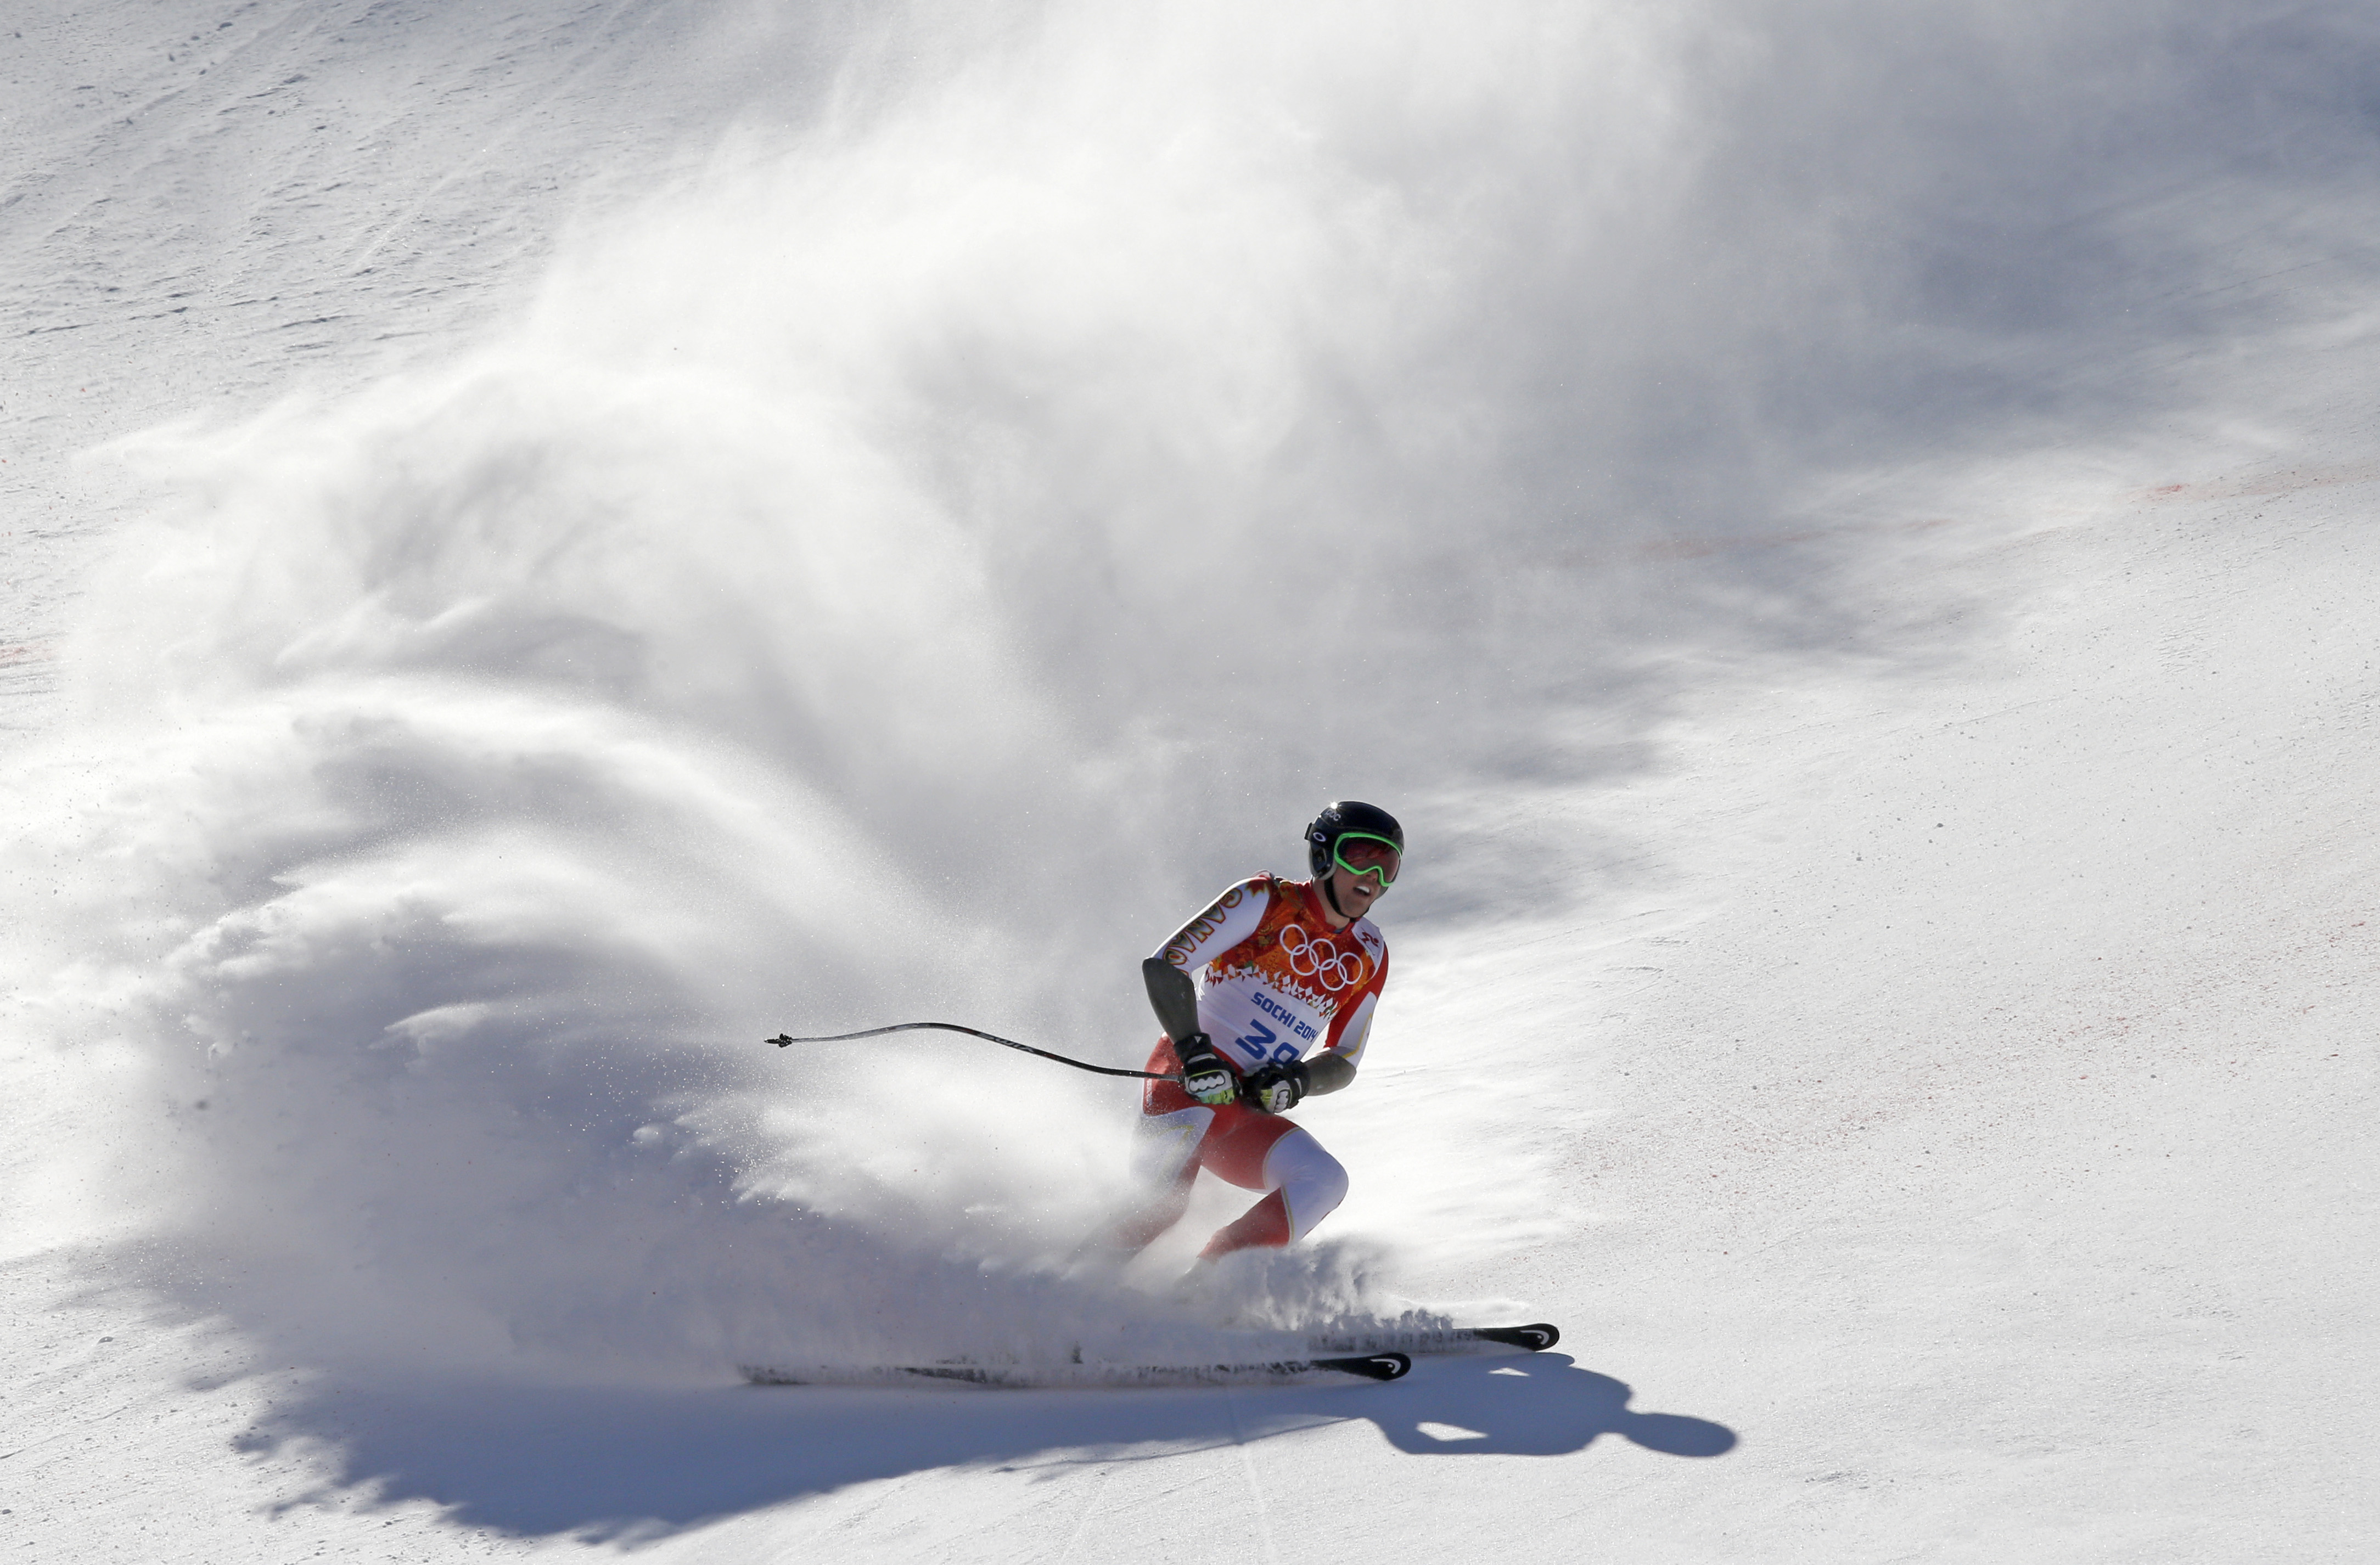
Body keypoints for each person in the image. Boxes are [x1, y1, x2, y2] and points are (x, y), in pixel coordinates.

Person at [1108, 801, 1402, 1261]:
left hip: (1242, 1110)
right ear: (1325, 856)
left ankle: (1209, 1290)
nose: (1373, 878)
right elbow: (1166, 965)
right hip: (1186, 1082)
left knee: (1325, 1181)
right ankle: (1056, 1302)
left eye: (1388, 866)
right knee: (1161, 1208)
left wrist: (1297, 1081)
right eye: (1361, 858)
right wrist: (1197, 1054)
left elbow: (1345, 1058)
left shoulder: (1370, 952)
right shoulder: (1266, 900)